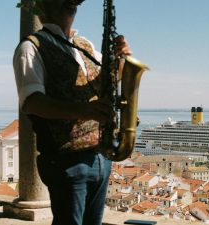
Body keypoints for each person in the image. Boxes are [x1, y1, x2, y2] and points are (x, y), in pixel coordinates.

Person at [13, 0, 131, 224]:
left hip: (101, 156)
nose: (71, 4)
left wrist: (122, 58)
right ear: (41, 7)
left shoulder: (84, 44)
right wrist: (83, 110)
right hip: (66, 160)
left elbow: (109, 79)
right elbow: (32, 102)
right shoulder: (31, 47)